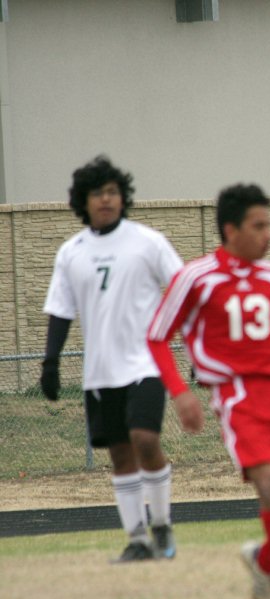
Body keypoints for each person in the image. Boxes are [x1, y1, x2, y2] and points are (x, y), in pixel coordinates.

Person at [147, 183, 270, 599]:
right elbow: (157, 336)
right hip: (237, 395)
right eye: (259, 225)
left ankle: (264, 558)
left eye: (269, 224)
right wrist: (181, 393)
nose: (268, 234)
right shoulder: (195, 277)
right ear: (231, 230)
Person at [40, 156, 185, 561]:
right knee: (120, 454)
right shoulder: (72, 252)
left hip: (146, 364)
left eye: (113, 192)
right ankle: (137, 540)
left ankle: (161, 522)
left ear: (123, 197)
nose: (106, 199)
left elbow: (183, 293)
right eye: (97, 193)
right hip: (100, 372)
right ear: (82, 201)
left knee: (145, 439)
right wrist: (50, 363)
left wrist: (192, 350)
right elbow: (61, 309)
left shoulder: (148, 242)